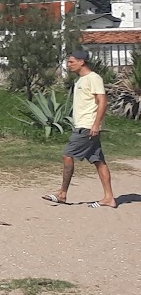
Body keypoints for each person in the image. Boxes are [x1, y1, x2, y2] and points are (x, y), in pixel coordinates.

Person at [43, 50, 116, 208]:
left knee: (67, 155)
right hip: (84, 125)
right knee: (99, 161)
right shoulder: (81, 80)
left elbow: (102, 102)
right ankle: (109, 198)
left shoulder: (93, 78)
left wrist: (96, 125)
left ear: (82, 61)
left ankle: (62, 194)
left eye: (71, 62)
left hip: (87, 127)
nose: (69, 65)